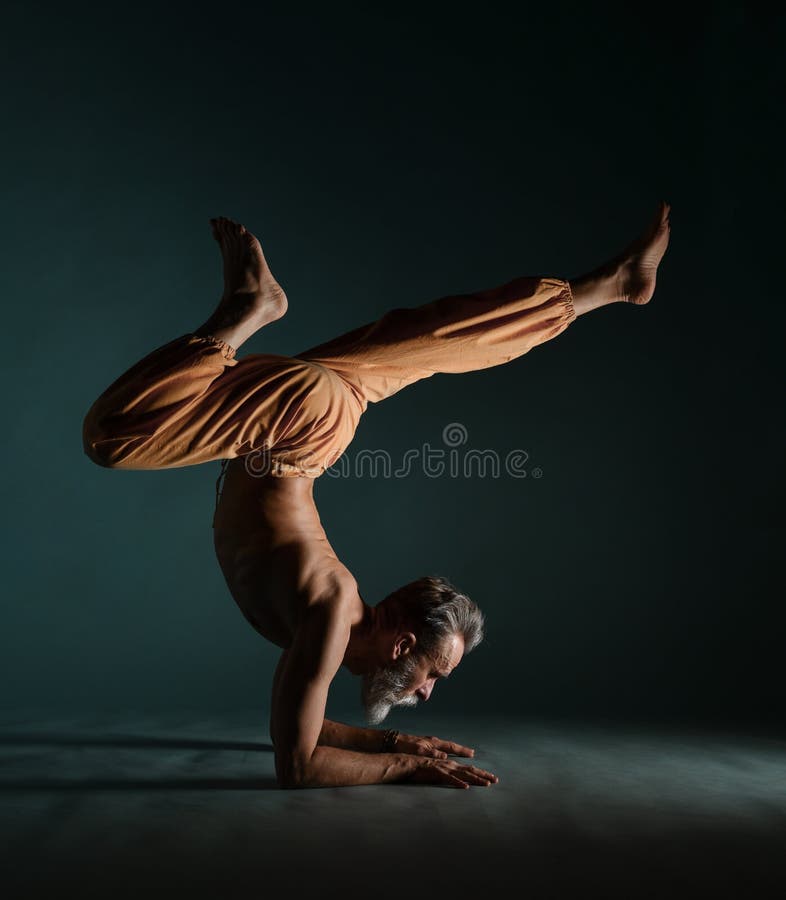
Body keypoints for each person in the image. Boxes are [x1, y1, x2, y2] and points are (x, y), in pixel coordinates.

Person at [82, 203, 671, 789]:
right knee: (113, 437)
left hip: (317, 415)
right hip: (296, 429)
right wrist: (407, 766)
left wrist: (393, 743)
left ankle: (608, 285)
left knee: (438, 339)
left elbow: (296, 732)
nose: (427, 691)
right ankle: (246, 310)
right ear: (404, 644)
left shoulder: (331, 622)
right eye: (433, 674)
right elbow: (299, 766)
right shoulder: (333, 611)